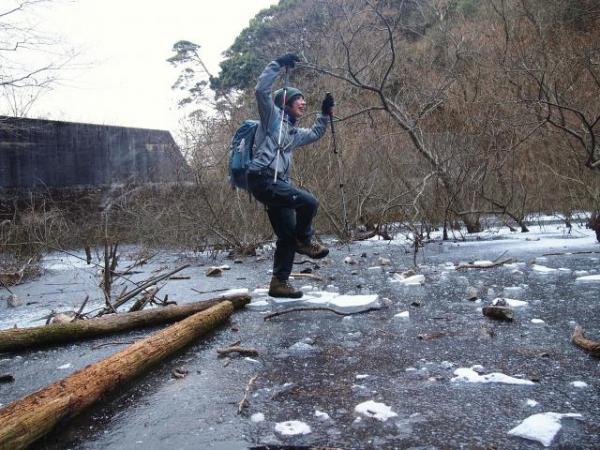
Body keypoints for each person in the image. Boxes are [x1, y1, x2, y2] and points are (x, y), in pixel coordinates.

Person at [246, 53, 335, 299]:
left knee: (286, 235)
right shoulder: (271, 117)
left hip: (278, 183)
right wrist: (277, 64)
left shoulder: (293, 132)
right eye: (299, 99)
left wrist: (324, 114)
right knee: (309, 202)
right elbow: (261, 90)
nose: (303, 103)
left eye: (305, 100)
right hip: (263, 179)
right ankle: (305, 241)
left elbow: (316, 133)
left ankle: (278, 283)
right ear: (285, 103)